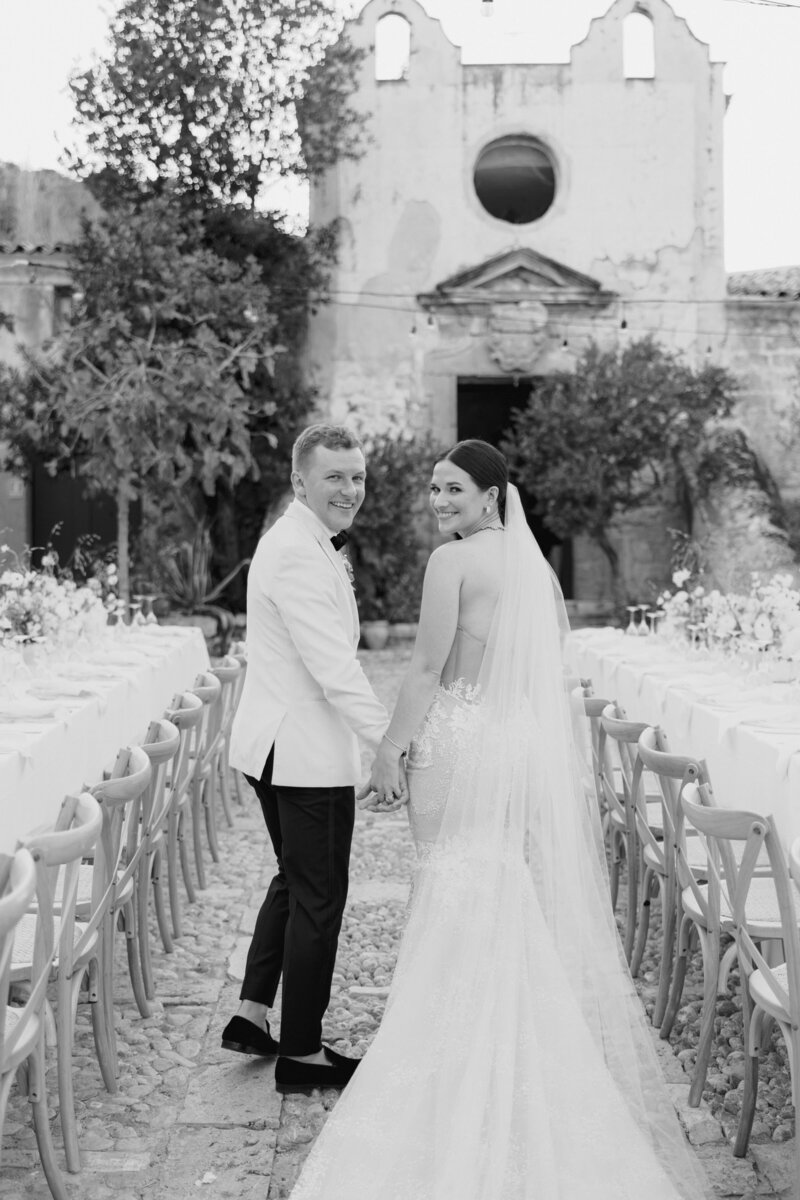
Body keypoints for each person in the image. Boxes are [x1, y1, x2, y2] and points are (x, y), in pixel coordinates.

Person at [287, 440, 707, 1199]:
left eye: (453, 490)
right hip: (508, 745)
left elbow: (424, 670)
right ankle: (513, 1061)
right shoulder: (532, 565)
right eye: (434, 490)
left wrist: (388, 752)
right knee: (498, 892)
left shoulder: (451, 564)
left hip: (455, 744)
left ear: (490, 495)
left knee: (450, 891)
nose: (440, 502)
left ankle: (452, 1069)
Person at [224, 423, 392, 1095]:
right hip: (302, 755)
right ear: (300, 482)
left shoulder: (304, 541)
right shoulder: (295, 551)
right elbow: (333, 667)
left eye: (357, 477)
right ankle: (302, 1054)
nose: (350, 489)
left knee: (295, 882)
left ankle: (250, 1014)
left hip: (276, 745)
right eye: (335, 477)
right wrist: (388, 741)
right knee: (320, 898)